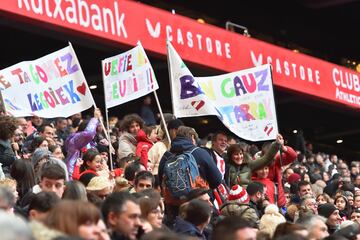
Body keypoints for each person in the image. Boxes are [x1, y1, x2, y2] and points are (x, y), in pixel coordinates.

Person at [158, 126, 222, 226]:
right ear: (192, 137)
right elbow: (217, 179)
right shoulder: (200, 152)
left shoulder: (167, 155)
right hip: (199, 205)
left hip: (174, 207)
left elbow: (160, 180)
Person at [65, 108, 101, 179]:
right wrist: (95, 119)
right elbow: (88, 134)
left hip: (87, 177)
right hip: (72, 177)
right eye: (94, 129)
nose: (94, 133)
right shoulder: (74, 140)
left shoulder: (91, 144)